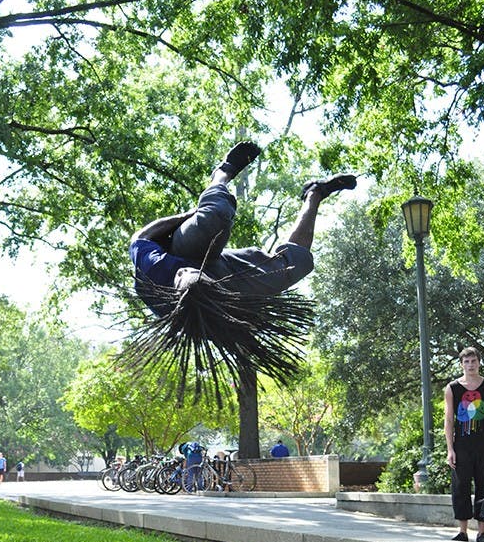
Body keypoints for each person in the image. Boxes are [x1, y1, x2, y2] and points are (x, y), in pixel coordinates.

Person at [128, 139, 356, 396]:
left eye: (185, 273)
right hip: (220, 284)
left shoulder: (154, 269)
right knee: (292, 268)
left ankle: (222, 173)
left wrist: (189, 215)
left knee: (215, 217)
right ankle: (315, 193)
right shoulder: (211, 315)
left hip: (175, 248)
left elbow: (140, 237)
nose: (186, 270)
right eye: (188, 272)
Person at [444, 347, 484, 542]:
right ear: (461, 364)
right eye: (466, 361)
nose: (470, 365)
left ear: (479, 363)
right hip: (461, 447)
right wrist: (450, 449)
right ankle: (463, 531)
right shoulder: (452, 388)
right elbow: (449, 420)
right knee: (460, 487)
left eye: (473, 361)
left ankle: (482, 533)